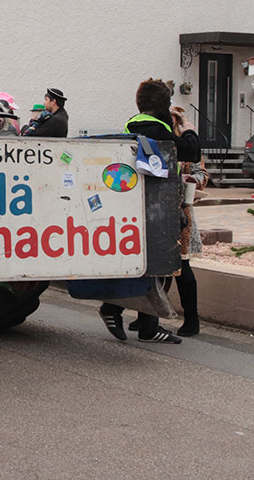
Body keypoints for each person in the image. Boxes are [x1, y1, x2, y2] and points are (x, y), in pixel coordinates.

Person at [99, 78, 200, 345]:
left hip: (137, 205)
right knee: (157, 267)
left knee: (146, 266)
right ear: (164, 106)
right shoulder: (157, 130)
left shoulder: (133, 125)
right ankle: (118, 311)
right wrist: (188, 129)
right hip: (158, 208)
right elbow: (191, 151)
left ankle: (143, 322)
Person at [176, 158, 209, 336]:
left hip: (181, 213)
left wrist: (191, 179)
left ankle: (191, 319)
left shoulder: (188, 148)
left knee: (182, 265)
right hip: (153, 208)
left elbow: (202, 175)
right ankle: (147, 318)